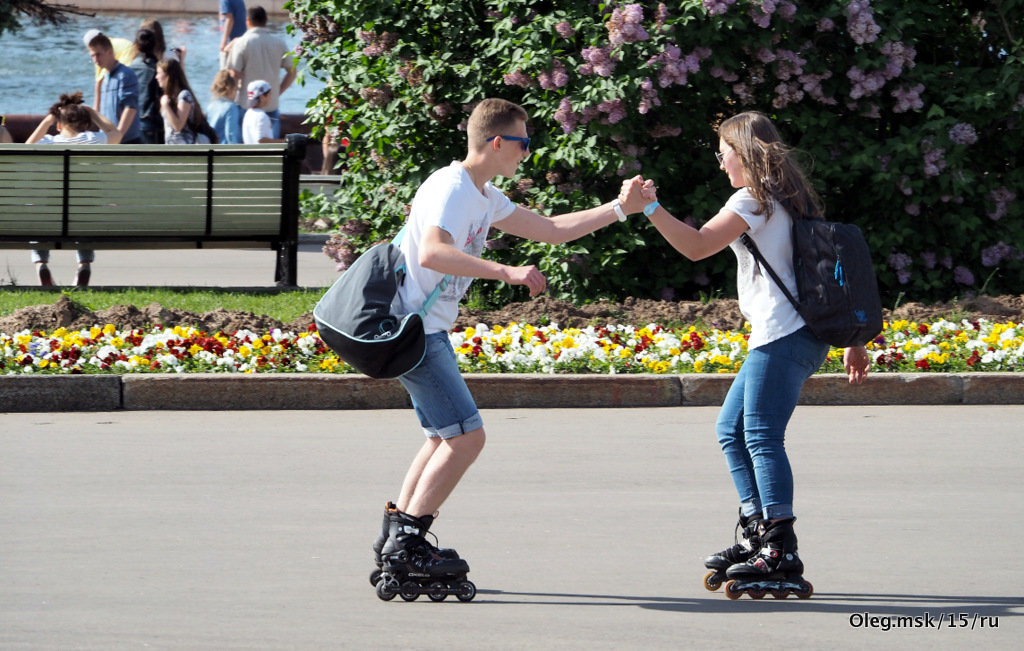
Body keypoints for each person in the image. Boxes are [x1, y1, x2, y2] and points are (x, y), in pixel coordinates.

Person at [370, 98, 650, 599]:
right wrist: (506, 271)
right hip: (415, 331)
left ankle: (397, 534)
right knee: (467, 438)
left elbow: (552, 231)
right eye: (523, 142)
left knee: (442, 436)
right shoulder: (453, 187)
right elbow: (434, 250)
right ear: (498, 142)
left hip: (422, 329)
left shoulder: (483, 194)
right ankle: (409, 540)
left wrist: (619, 209)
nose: (527, 152)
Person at [629, 110, 871, 597]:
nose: (720, 164)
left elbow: (697, 247)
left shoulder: (753, 199)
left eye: (724, 154)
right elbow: (827, 271)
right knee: (731, 430)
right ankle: (759, 530)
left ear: (745, 152)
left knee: (760, 434)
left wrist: (649, 209)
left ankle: (779, 545)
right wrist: (853, 339)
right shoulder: (788, 198)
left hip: (784, 334)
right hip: (802, 333)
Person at [25, 92, 123, 287]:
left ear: (58, 125)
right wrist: (92, 112)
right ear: (86, 125)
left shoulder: (50, 142)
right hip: (84, 210)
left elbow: (28, 146)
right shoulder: (92, 139)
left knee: (39, 213)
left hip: (52, 210)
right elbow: (116, 133)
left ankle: (41, 263)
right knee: (85, 213)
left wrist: (47, 121)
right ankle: (84, 264)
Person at [225, 5, 296, 139]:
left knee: (245, 150)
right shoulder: (279, 43)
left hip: (247, 105)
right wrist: (277, 91)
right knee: (272, 153)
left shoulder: (241, 43)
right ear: (266, 20)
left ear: (248, 21)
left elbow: (234, 73)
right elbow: (292, 72)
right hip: (271, 104)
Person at [86, 31, 143, 144]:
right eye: (92, 55)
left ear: (110, 52)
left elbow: (130, 109)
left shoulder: (126, 74)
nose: (95, 60)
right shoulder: (104, 78)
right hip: (108, 140)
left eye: (99, 54)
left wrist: (118, 136)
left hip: (127, 141)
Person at [156, 58, 216, 145]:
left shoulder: (184, 95)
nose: (156, 77)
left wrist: (166, 106)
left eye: (159, 73)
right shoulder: (169, 97)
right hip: (171, 148)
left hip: (185, 148)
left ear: (168, 75)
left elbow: (178, 126)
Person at [129, 28, 163, 143]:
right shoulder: (158, 68)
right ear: (155, 45)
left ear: (136, 46)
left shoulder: (130, 68)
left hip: (132, 121)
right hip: (151, 121)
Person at [207, 70, 243, 144]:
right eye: (236, 90)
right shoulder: (231, 107)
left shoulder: (211, 106)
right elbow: (231, 135)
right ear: (230, 89)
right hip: (223, 149)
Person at [241, 80, 279, 144]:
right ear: (262, 97)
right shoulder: (261, 116)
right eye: (269, 94)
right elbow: (261, 140)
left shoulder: (248, 113)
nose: (270, 98)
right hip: (261, 153)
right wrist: (284, 142)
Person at [218, 0, 247, 66]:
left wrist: (223, 42)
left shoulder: (225, 1)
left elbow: (230, 19)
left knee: (225, 72)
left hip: (231, 42)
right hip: (241, 39)